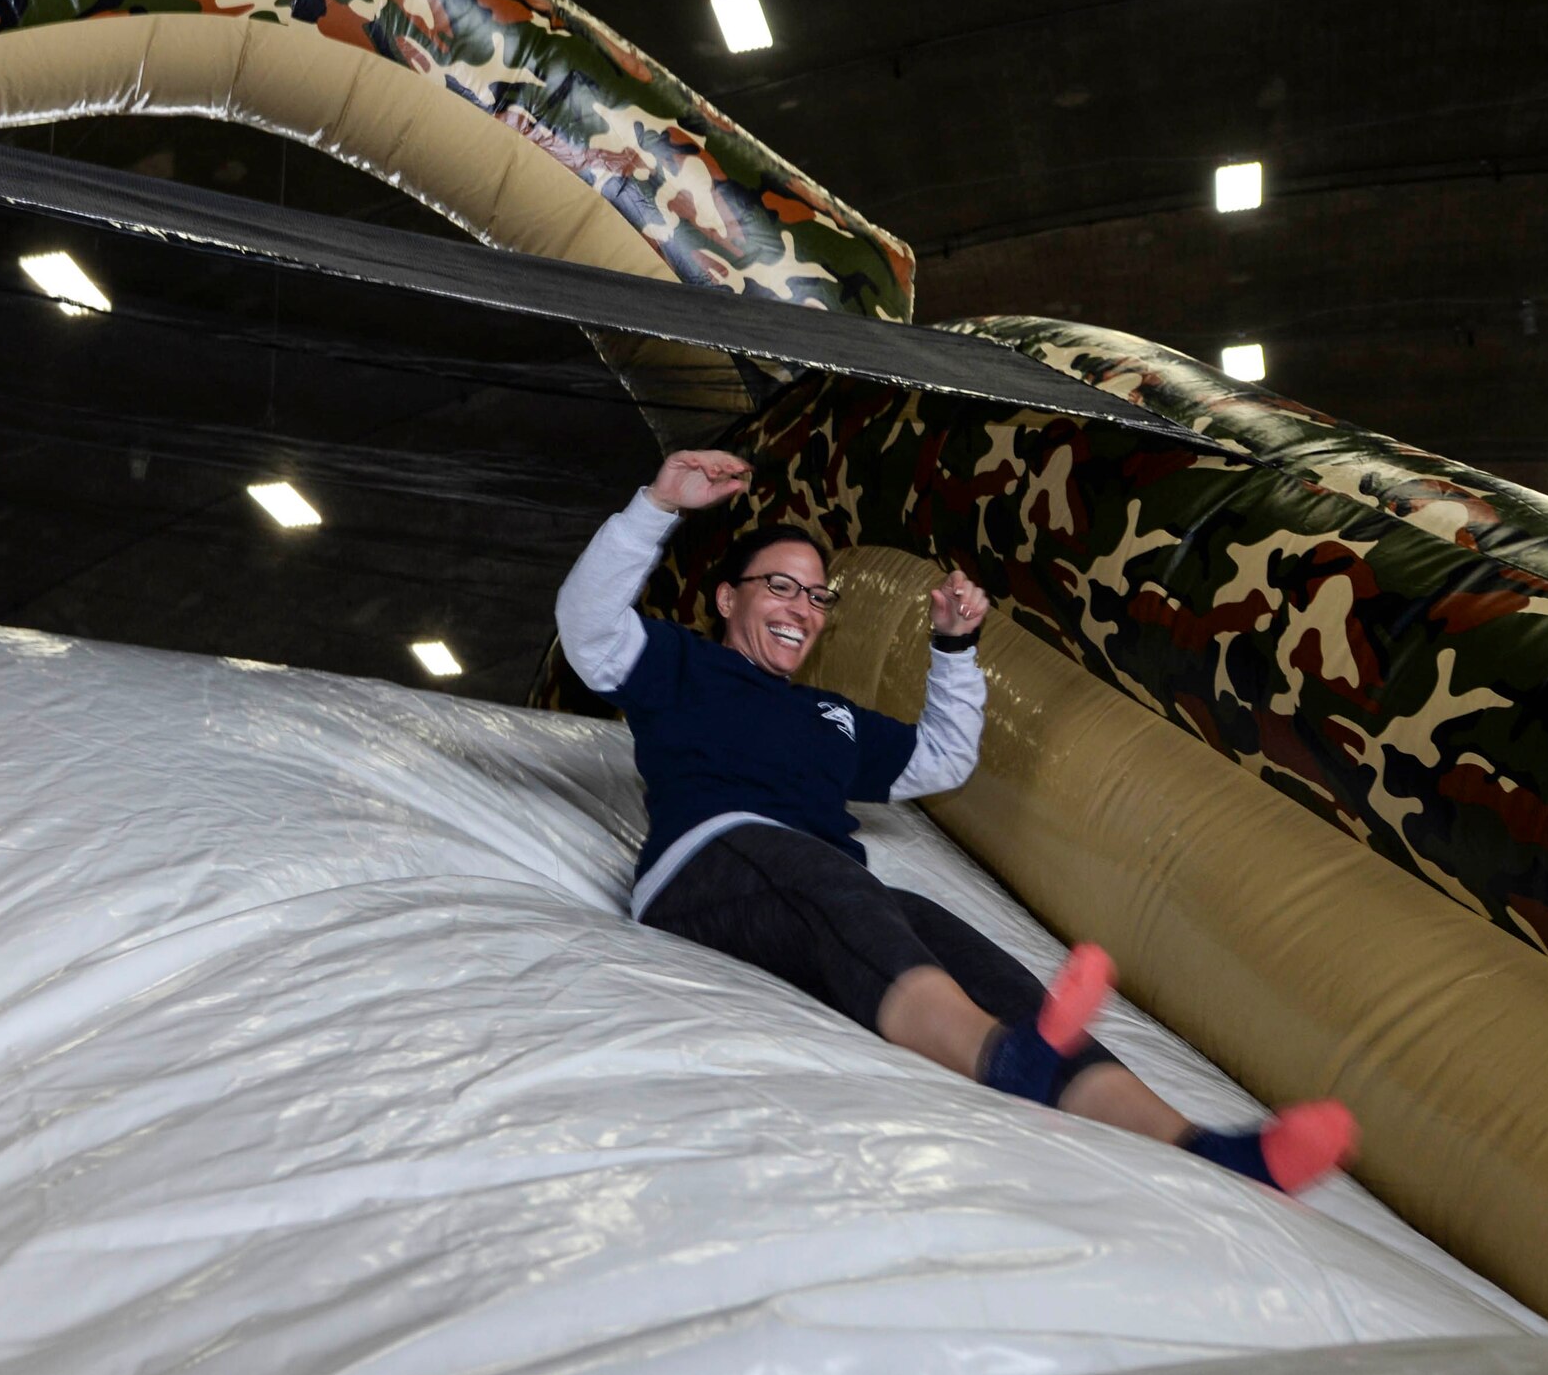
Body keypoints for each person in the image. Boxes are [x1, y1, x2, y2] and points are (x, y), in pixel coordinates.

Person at [556, 448, 1357, 1195]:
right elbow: (589, 630)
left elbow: (939, 759)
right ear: (728, 597)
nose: (804, 607)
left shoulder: (830, 715)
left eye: (818, 595)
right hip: (710, 868)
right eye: (780, 586)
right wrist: (657, 506)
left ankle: (1203, 1147)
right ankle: (996, 1057)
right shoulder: (681, 664)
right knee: (821, 877)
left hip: (817, 881)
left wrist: (954, 647)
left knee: (939, 932)